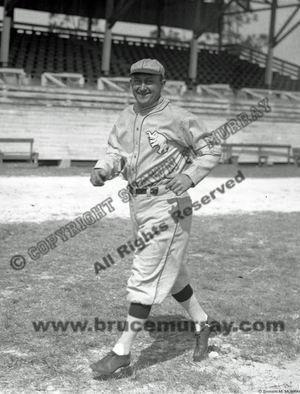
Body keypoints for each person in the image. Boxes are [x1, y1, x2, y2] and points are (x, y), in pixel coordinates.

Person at [90, 58, 221, 375]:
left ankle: (121, 351)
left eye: (150, 81)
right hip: (138, 203)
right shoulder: (126, 115)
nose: (142, 87)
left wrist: (190, 177)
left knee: (145, 272)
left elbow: (211, 149)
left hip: (169, 204)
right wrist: (103, 169)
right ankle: (203, 323)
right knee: (172, 273)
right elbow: (115, 151)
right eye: (137, 80)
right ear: (130, 83)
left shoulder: (178, 117)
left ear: (163, 84)